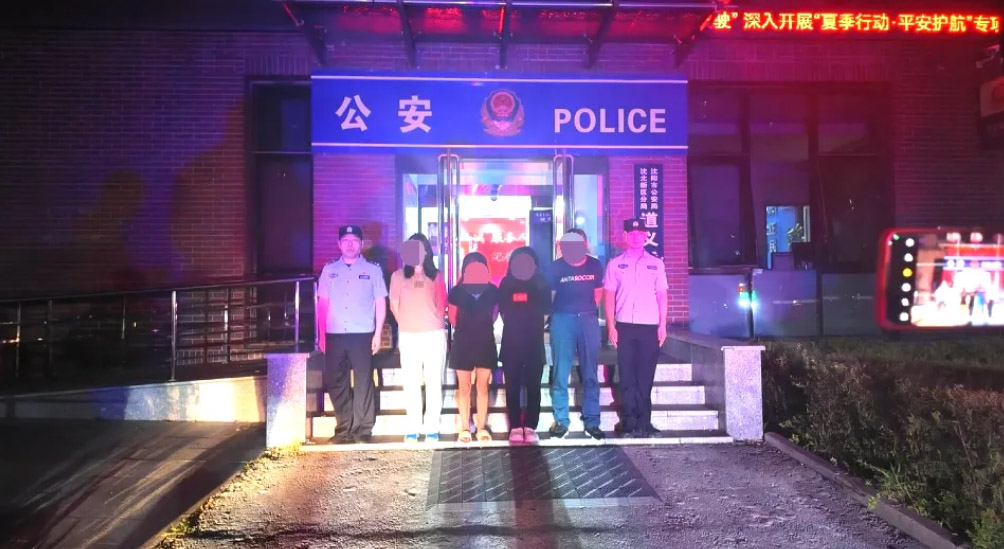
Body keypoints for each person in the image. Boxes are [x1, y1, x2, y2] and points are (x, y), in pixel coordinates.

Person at [317, 225, 388, 444]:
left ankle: (363, 428)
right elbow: (322, 304)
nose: (350, 244)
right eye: (346, 240)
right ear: (339, 244)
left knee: (364, 380)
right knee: (336, 382)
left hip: (362, 334)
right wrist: (321, 335)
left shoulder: (373, 270)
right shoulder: (329, 270)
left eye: (354, 241)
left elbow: (380, 302)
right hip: (335, 334)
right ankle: (343, 428)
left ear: (361, 244)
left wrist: (378, 333)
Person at [604, 218, 668, 438]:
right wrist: (611, 326)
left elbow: (662, 295)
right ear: (625, 236)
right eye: (631, 234)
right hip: (625, 327)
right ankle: (629, 422)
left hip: (649, 327)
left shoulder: (656, 264)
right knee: (627, 375)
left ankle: (645, 422)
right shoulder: (615, 264)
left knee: (645, 375)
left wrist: (663, 325)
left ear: (645, 236)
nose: (635, 237)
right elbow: (609, 297)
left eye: (640, 234)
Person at [389, 233, 448, 443]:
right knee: (411, 382)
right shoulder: (398, 276)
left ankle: (432, 427)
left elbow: (442, 304)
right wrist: (406, 324)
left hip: (433, 336)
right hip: (409, 336)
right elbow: (394, 305)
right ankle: (413, 427)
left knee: (434, 381)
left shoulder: (436, 276)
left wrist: (432, 322)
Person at [548, 231, 605, 440]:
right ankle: (561, 420)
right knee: (560, 371)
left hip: (587, 320)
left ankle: (592, 421)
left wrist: (585, 312)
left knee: (590, 372)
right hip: (563, 320)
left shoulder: (594, 265)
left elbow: (598, 295)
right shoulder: (556, 267)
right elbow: (551, 295)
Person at [498, 247, 551, 444]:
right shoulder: (506, 283)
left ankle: (530, 425)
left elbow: (546, 312)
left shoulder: (541, 282)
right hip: (511, 342)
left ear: (535, 264)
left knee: (533, 386)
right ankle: (514, 425)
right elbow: (503, 311)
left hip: (533, 343)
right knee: (511, 386)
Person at [447, 252, 500, 443]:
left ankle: (481, 427)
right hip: (463, 342)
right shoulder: (457, 291)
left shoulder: (492, 291)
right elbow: (452, 318)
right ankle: (464, 428)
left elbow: (494, 315)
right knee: (464, 387)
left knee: (483, 386)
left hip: (485, 341)